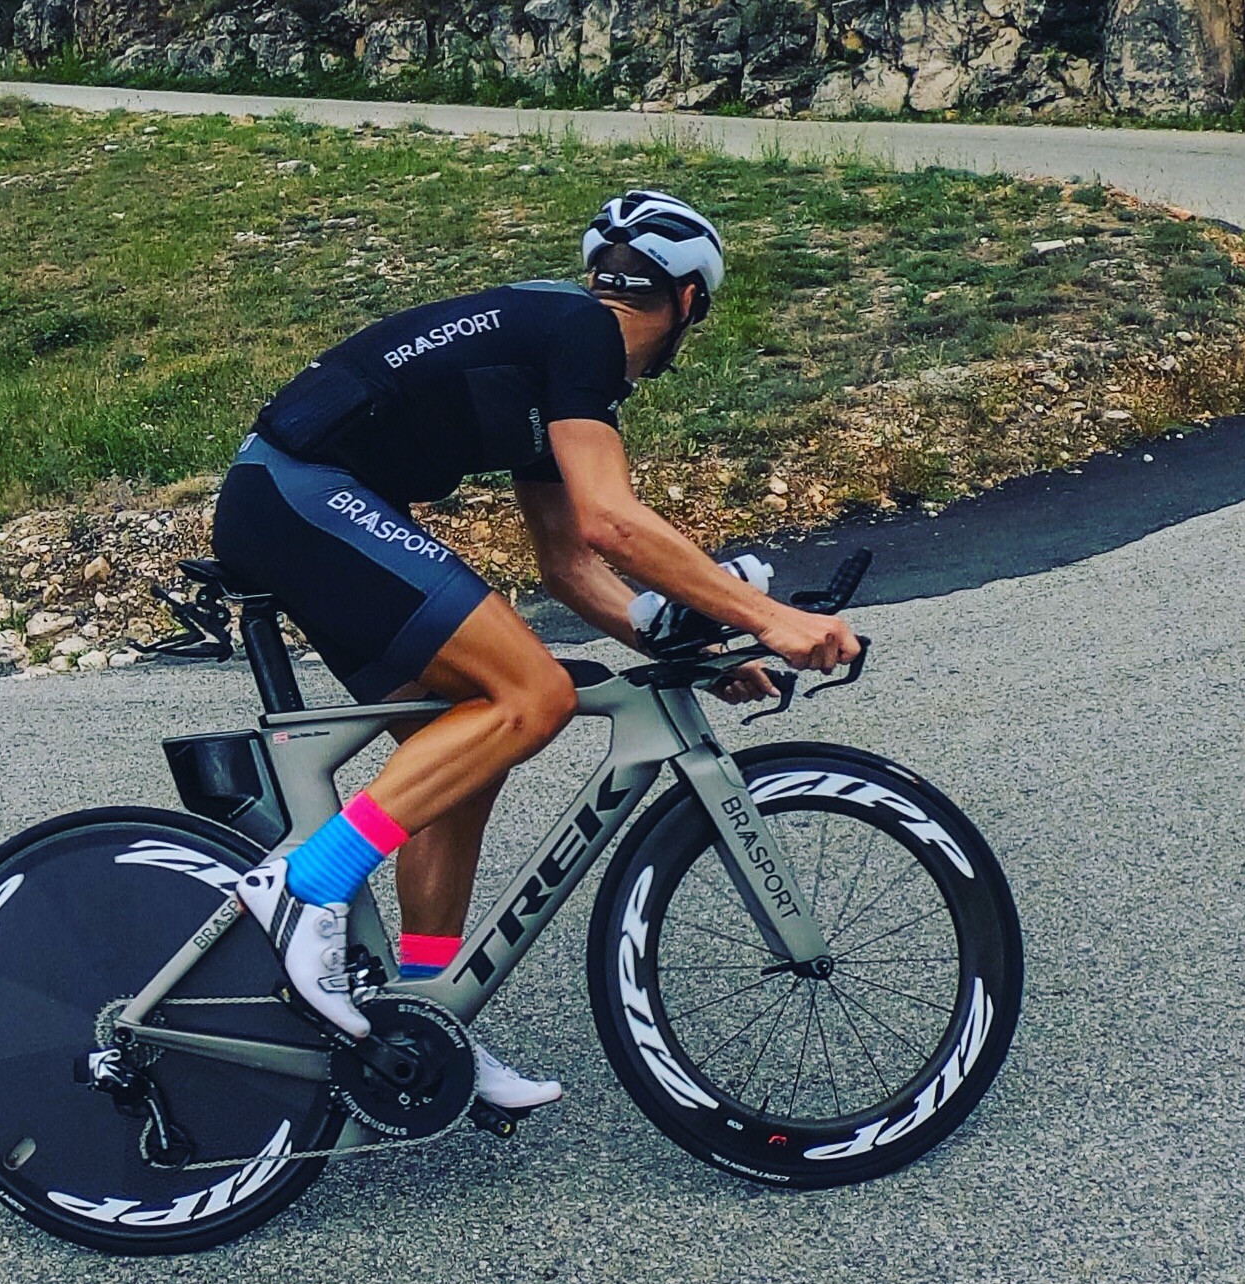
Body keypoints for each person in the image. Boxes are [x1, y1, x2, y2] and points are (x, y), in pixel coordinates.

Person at [214, 190, 861, 1110]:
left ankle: (423, 1013)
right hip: (299, 493)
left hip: (295, 500)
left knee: (466, 747)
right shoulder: (582, 337)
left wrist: (688, 634)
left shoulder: (553, 347)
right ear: (689, 302)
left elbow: (568, 565)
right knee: (537, 694)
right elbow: (611, 522)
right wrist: (769, 617)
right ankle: (303, 886)